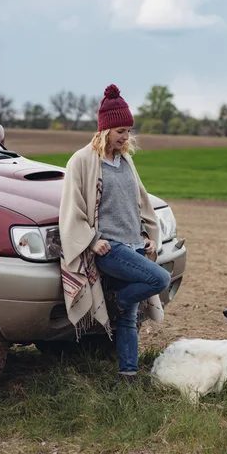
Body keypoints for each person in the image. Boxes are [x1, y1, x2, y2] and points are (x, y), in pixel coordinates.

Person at [59, 83, 171, 383]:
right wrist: (93, 241)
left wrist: (147, 234)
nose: (126, 137)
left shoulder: (125, 161)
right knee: (159, 279)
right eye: (121, 131)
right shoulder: (82, 161)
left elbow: (138, 201)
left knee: (129, 320)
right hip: (112, 250)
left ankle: (128, 374)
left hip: (134, 245)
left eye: (128, 132)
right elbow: (71, 209)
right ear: (104, 130)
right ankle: (118, 300)